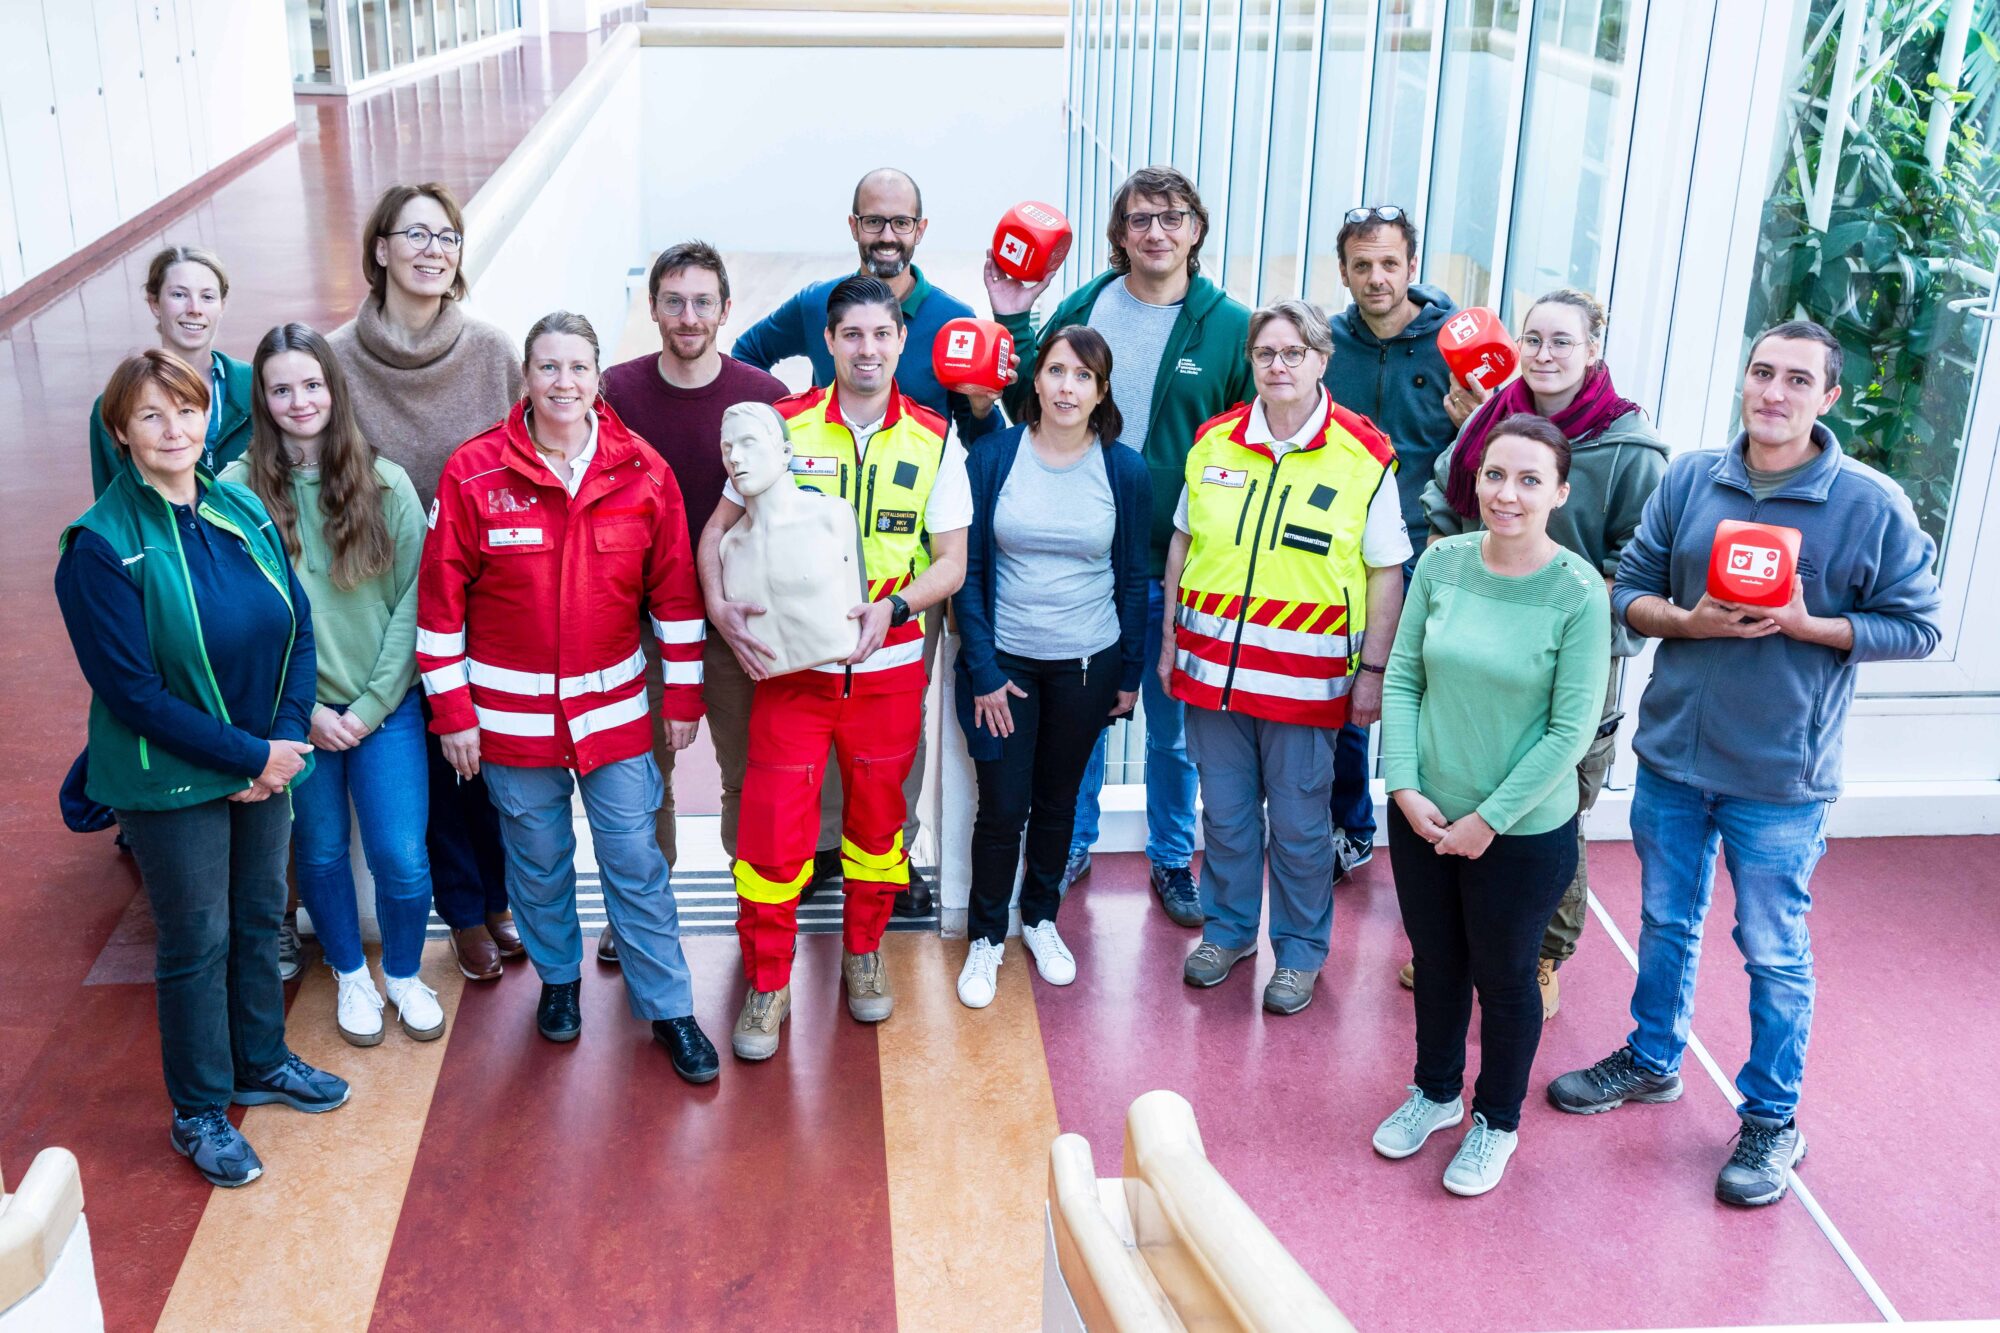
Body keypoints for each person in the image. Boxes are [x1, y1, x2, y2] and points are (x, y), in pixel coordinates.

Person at [1548, 320, 1942, 1207]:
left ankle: (1772, 1116)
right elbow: (1630, 587)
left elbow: (1917, 627)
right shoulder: (1692, 477)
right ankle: (1653, 1060)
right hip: (1675, 758)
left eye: (1797, 380)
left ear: (1829, 398)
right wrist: (1686, 621)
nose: (1773, 391)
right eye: (1762, 372)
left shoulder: (1870, 503)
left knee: (1771, 948)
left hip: (1781, 776)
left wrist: (1811, 626)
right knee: (1665, 922)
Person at [56, 350, 350, 1189]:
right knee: (197, 939)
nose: (173, 429)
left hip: (264, 757)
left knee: (261, 916)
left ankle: (260, 1059)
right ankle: (196, 1111)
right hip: (171, 777)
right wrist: (251, 756)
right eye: (150, 416)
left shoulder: (241, 503)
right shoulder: (101, 546)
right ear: (121, 432)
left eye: (184, 410)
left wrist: (283, 739)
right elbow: (135, 694)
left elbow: (295, 622)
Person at [416, 311, 718, 1082]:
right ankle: (558, 982)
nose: (563, 383)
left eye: (577, 368)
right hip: (510, 726)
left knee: (634, 858)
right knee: (539, 859)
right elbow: (439, 608)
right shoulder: (475, 472)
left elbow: (676, 597)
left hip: (615, 716)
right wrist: (453, 714)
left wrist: (682, 698)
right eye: (548, 368)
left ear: (598, 379)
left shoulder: (643, 471)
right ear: (525, 378)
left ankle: (670, 1006)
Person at [707, 275, 970, 1061]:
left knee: (876, 830)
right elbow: (716, 526)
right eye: (851, 335)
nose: (867, 349)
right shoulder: (780, 427)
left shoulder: (934, 437)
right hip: (792, 677)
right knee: (771, 840)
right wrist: (721, 608)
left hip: (888, 674)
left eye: (881, 335)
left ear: (900, 342)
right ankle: (768, 980)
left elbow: (952, 563)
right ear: (827, 342)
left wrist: (894, 607)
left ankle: (863, 951)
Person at [987, 164, 1253, 926]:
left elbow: (1245, 441)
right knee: (1086, 722)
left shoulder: (1230, 325)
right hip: (1085, 559)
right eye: (1140, 219)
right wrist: (1011, 319)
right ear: (1120, 234)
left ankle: (1172, 858)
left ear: (1196, 230)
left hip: (1176, 564)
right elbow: (1027, 400)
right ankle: (1073, 842)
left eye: (1172, 218)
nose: (1156, 232)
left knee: (1173, 732)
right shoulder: (1088, 303)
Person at [734, 169, 1001, 914]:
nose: (887, 234)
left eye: (901, 222)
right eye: (874, 221)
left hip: (906, 571)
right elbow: (747, 357)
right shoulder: (816, 304)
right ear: (852, 225)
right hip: (807, 575)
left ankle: (890, 851)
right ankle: (823, 849)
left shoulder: (951, 318)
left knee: (892, 729)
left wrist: (978, 408)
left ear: (921, 228)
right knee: (810, 713)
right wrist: (784, 434)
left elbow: (980, 435)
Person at [1370, 414, 1610, 1197]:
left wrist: (1489, 820)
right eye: (1496, 475)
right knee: (1437, 962)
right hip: (1424, 815)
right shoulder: (1440, 562)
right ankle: (1436, 1093)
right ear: (1476, 481)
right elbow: (1404, 678)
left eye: (1530, 479)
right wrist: (1403, 785)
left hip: (1521, 831)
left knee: (1505, 979)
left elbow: (1570, 730)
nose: (1509, 493)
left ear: (1560, 492)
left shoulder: (1577, 591)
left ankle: (1495, 1120)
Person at [1417, 288, 1669, 1016]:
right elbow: (1441, 512)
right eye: (1533, 339)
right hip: (1473, 656)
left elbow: (1643, 566)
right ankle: (1466, 942)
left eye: (1563, 340)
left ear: (1594, 351)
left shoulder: (1633, 450)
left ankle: (1544, 951)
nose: (1546, 354)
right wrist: (1447, 602)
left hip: (1569, 660)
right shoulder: (1486, 427)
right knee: (1468, 789)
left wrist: (1563, 609)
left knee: (1551, 809)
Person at [1163, 301, 1409, 1015]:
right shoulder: (1214, 442)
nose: (1277, 365)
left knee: (1302, 828)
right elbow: (1184, 541)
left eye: (1292, 352)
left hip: (1308, 686)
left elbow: (1386, 571)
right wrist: (1173, 638)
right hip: (1212, 677)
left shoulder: (1364, 455)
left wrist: (1373, 673)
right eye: (1266, 352)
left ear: (1321, 359)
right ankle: (1230, 931)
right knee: (1228, 818)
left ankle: (1299, 951)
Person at [220, 324, 442, 1048]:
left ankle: (404, 974)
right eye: (281, 388)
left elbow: (415, 598)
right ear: (263, 398)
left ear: (334, 388)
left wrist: (374, 704)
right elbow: (240, 619)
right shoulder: (233, 491)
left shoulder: (387, 482)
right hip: (294, 716)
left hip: (386, 709)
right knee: (315, 853)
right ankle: (350, 972)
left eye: (311, 383)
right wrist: (305, 711)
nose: (299, 399)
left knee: (401, 856)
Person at [330, 182, 525, 984]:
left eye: (447, 237)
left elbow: (525, 450)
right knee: (437, 765)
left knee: (496, 752)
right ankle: (465, 906)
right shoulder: (335, 357)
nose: (432, 250)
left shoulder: (490, 350)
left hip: (487, 589)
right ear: (380, 249)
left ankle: (506, 897)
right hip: (380, 596)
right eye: (414, 235)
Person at [597, 241, 786, 966]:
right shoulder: (615, 391)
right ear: (653, 310)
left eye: (702, 301)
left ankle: (753, 906)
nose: (688, 315)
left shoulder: (763, 397)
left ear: (726, 310)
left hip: (736, 625)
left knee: (746, 775)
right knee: (647, 781)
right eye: (673, 301)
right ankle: (644, 911)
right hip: (638, 627)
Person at [950, 327, 1151, 1009]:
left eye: (1083, 376)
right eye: (1057, 371)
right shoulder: (994, 455)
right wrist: (980, 668)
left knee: (1059, 802)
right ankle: (986, 936)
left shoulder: (1124, 469)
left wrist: (1129, 673)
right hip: (1004, 664)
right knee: (1003, 806)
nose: (1068, 386)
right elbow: (966, 572)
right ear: (1034, 381)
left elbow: (1132, 580)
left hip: (1086, 669)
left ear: (1100, 391)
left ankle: (1038, 919)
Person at [1319, 206, 1465, 877]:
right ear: (1345, 272)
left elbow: (1504, 452)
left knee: (1433, 705)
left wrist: (1476, 425)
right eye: (1362, 265)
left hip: (1433, 555)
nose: (1376, 278)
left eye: (1389, 264)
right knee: (1348, 703)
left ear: (1412, 267)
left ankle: (1436, 836)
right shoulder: (1326, 345)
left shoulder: (1455, 346)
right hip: (1343, 555)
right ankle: (1350, 826)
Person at [89, 245, 255, 498]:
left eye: (207, 297)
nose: (194, 308)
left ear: (222, 305)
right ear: (154, 302)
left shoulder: (255, 386)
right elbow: (113, 508)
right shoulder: (116, 403)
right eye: (179, 295)